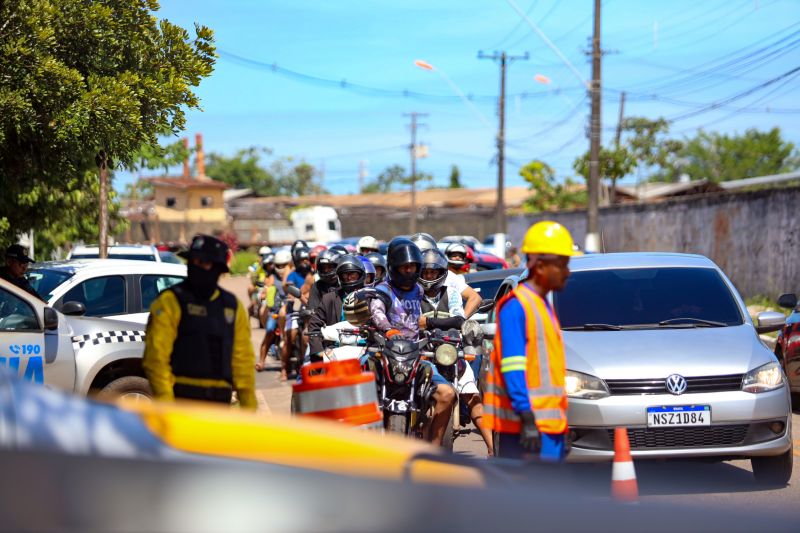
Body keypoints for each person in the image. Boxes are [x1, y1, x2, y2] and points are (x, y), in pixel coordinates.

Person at [484, 221, 579, 461]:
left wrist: (562, 426)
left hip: (548, 428)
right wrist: (527, 418)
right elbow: (513, 367)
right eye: (562, 265)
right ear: (539, 264)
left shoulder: (543, 305)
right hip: (526, 431)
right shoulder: (516, 306)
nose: (567, 272)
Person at [142, 235, 256, 409]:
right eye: (193, 262)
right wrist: (167, 406)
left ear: (218, 268)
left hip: (219, 410)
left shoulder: (232, 307)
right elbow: (155, 359)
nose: (197, 267)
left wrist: (249, 410)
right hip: (181, 405)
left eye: (204, 263)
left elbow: (243, 363)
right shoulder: (170, 301)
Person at [369, 237, 456, 446]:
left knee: (447, 394)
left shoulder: (418, 290)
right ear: (393, 267)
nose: (409, 271)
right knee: (357, 383)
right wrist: (388, 330)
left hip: (415, 355)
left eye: (413, 267)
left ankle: (433, 450)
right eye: (404, 267)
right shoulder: (382, 289)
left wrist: (435, 330)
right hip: (383, 351)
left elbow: (419, 319)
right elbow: (377, 312)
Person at [418, 249, 494, 455]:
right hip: (421, 354)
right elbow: (412, 322)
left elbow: (459, 319)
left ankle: (492, 448)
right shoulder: (413, 294)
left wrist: (429, 322)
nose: (429, 276)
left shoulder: (450, 293)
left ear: (441, 273)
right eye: (425, 272)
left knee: (472, 397)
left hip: (451, 352)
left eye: (434, 273)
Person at [307, 255, 366, 361]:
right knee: (314, 372)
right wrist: (318, 351)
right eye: (345, 274)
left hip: (366, 349)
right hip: (335, 349)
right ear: (340, 277)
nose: (348, 278)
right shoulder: (329, 299)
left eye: (352, 274)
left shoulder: (372, 297)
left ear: (360, 274)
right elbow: (314, 326)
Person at [280, 246, 312, 381]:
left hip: (309, 308)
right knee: (290, 336)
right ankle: (284, 368)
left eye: (307, 259)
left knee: (307, 337)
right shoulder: (292, 275)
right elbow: (290, 289)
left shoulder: (314, 273)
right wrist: (302, 290)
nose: (305, 262)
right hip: (295, 309)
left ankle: (306, 366)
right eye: (302, 259)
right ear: (297, 261)